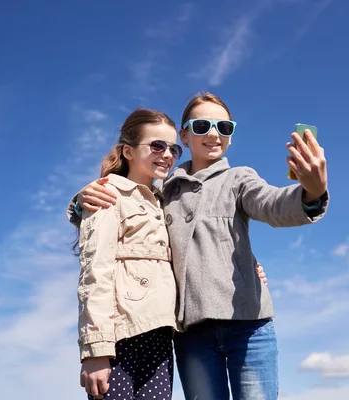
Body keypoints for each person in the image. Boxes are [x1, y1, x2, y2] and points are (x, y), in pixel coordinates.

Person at [68, 92, 329, 400]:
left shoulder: (240, 179)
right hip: (191, 336)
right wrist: (79, 202)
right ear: (185, 134)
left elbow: (273, 204)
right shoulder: (161, 190)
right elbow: (121, 213)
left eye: (224, 127)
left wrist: (312, 191)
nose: (214, 134)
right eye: (203, 125)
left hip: (248, 327)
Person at [76, 108, 182, 400]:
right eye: (157, 145)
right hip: (120, 336)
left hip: (160, 334)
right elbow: (95, 272)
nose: (167, 154)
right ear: (128, 151)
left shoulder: (166, 201)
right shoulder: (109, 193)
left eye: (174, 148)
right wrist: (96, 350)